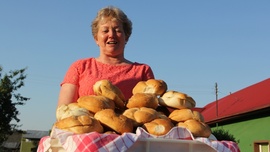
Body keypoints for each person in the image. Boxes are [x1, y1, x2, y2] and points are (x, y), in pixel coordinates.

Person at [57, 6, 155, 107]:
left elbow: (151, 110)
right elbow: (64, 111)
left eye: (118, 30)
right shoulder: (80, 67)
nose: (112, 35)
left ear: (127, 37)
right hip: (86, 122)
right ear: (96, 39)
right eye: (105, 31)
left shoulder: (143, 71)